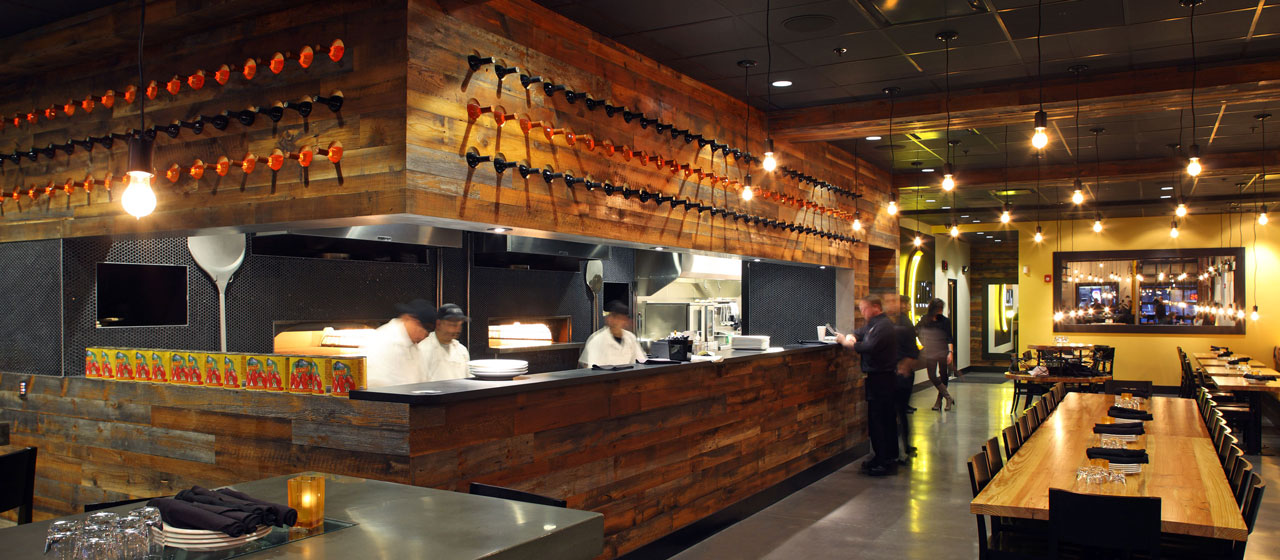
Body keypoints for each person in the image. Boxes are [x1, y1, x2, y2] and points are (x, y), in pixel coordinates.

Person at [837, 295, 898, 476]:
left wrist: (845, 343)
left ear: (876, 307)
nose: (862, 312)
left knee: (879, 419)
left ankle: (884, 460)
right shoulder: (875, 324)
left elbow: (869, 346)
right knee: (881, 419)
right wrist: (852, 335)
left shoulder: (883, 326)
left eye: (864, 309)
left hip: (882, 379)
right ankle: (884, 456)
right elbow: (861, 332)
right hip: (879, 378)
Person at [364, 299, 436, 388]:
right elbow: (375, 382)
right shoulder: (383, 340)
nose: (425, 334)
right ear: (407, 318)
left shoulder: (413, 346)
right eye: (423, 327)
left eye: (429, 331)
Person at [891, 295, 920, 459]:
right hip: (905, 373)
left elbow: (912, 350)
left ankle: (900, 449)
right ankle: (905, 447)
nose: (908, 305)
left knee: (898, 411)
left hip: (901, 373)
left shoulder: (902, 324)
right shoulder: (903, 323)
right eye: (907, 303)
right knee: (901, 411)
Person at [579, 300, 647, 368]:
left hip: (626, 377)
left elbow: (640, 362)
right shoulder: (597, 340)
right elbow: (590, 368)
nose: (617, 321)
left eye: (621, 318)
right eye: (615, 317)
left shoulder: (631, 338)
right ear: (608, 319)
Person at [916, 298, 955, 411]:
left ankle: (940, 400)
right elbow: (916, 330)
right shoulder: (925, 319)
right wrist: (923, 343)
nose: (940, 311)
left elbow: (949, 337)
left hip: (942, 350)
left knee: (943, 374)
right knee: (932, 375)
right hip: (930, 351)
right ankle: (948, 397)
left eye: (941, 308)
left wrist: (950, 352)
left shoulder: (945, 321)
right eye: (939, 308)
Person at [422, 303, 471, 381]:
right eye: (453, 325)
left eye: (460, 325)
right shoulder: (423, 350)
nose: (458, 330)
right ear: (438, 324)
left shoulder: (462, 350)